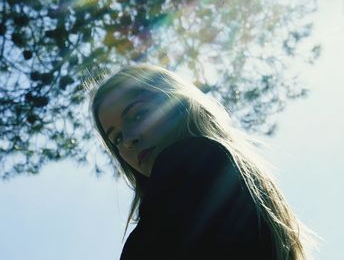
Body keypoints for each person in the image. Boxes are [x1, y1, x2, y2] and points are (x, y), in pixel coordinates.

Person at [88, 64, 316, 260]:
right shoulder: (234, 179)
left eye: (138, 115)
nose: (128, 140)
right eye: (116, 137)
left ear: (178, 104)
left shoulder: (193, 159)